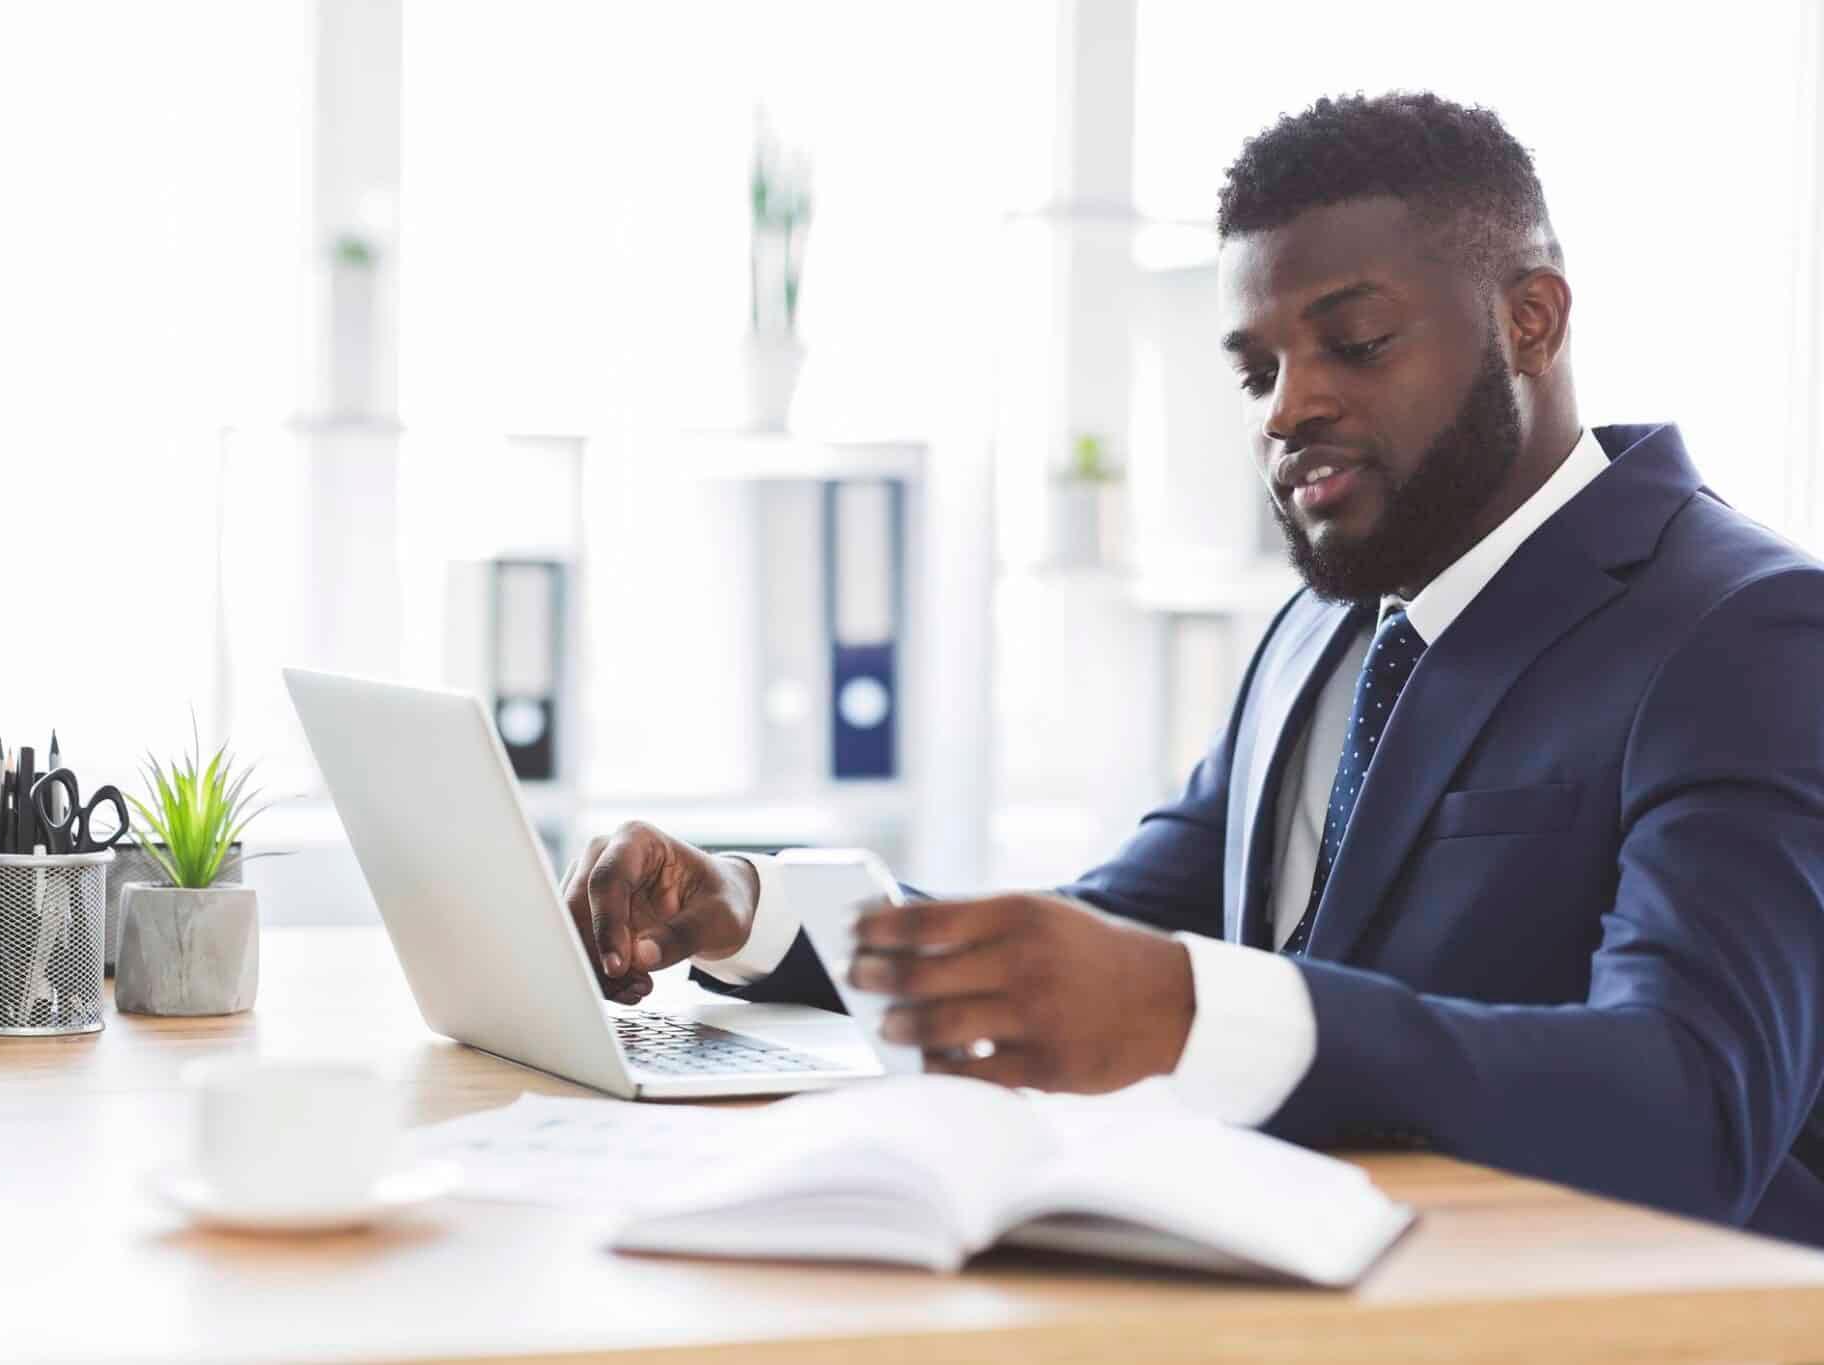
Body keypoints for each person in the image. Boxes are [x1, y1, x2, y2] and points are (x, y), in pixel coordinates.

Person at [557, 92, 1824, 1246]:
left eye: (1355, 343)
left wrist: (1194, 1011)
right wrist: (746, 907)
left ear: (1527, 320)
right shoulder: (1319, 631)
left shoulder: (1746, 631)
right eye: (1258, 370)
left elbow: (1699, 1105)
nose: (1284, 410)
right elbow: (1100, 945)